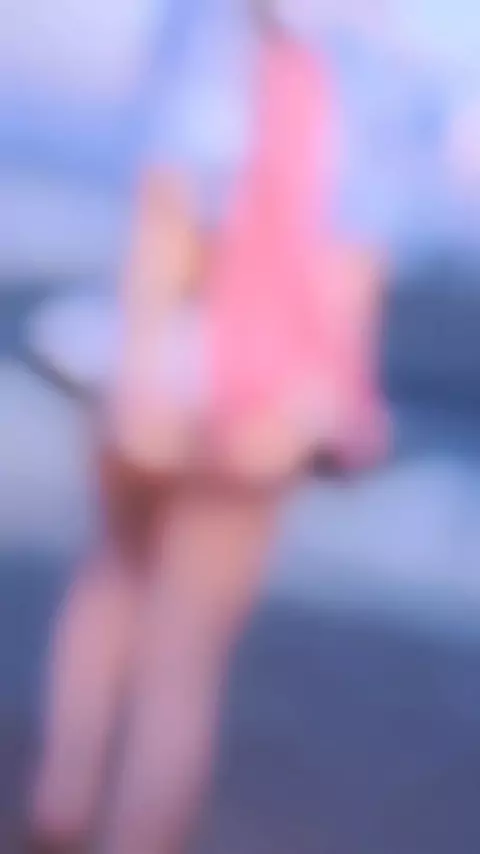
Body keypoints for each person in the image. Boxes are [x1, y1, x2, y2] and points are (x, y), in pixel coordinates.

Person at [29, 1, 388, 851]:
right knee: (189, 641)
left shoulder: (200, 36)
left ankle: (66, 791)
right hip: (267, 394)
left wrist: (142, 373)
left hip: (164, 361)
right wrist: (330, 402)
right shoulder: (363, 77)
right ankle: (138, 827)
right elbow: (351, 266)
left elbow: (164, 209)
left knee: (116, 577)